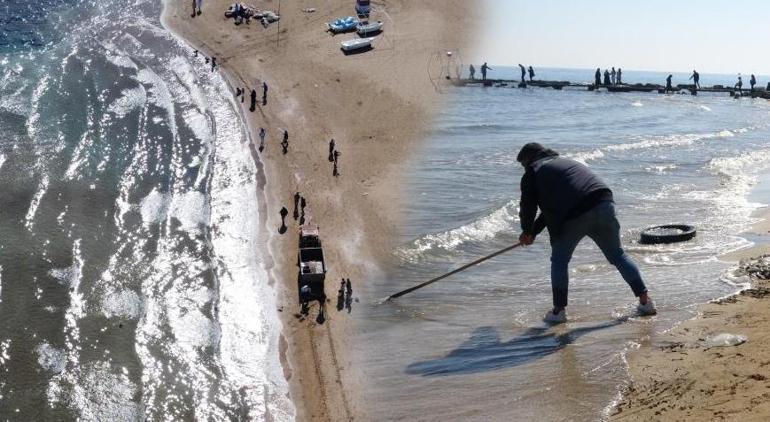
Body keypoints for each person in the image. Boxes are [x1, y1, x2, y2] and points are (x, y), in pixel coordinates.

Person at [516, 142, 656, 323]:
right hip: (604, 203)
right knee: (618, 255)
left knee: (559, 261)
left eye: (522, 165)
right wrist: (532, 233)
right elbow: (553, 207)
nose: (523, 168)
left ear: (528, 160)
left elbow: (528, 206)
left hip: (574, 216)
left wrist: (526, 231)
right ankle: (646, 303)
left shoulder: (533, 174)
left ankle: (558, 312)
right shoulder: (566, 163)